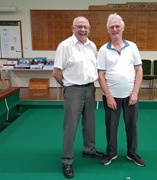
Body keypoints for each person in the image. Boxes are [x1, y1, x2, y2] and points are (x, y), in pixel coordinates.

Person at [53, 16, 104, 179]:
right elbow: (56, 72)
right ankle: (67, 161)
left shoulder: (92, 45)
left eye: (86, 27)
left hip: (90, 88)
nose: (83, 30)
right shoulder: (65, 46)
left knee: (90, 123)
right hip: (73, 90)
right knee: (70, 126)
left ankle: (89, 150)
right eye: (79, 26)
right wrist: (67, 86)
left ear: (89, 29)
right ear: (72, 28)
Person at [97, 13, 146, 167]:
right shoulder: (103, 50)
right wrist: (109, 96)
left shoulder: (132, 47)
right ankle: (111, 153)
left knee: (132, 126)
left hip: (131, 96)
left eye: (117, 26)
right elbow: (101, 75)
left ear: (123, 28)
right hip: (112, 97)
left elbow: (139, 71)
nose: (115, 29)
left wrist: (135, 93)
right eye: (111, 27)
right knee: (111, 127)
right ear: (108, 30)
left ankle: (132, 153)